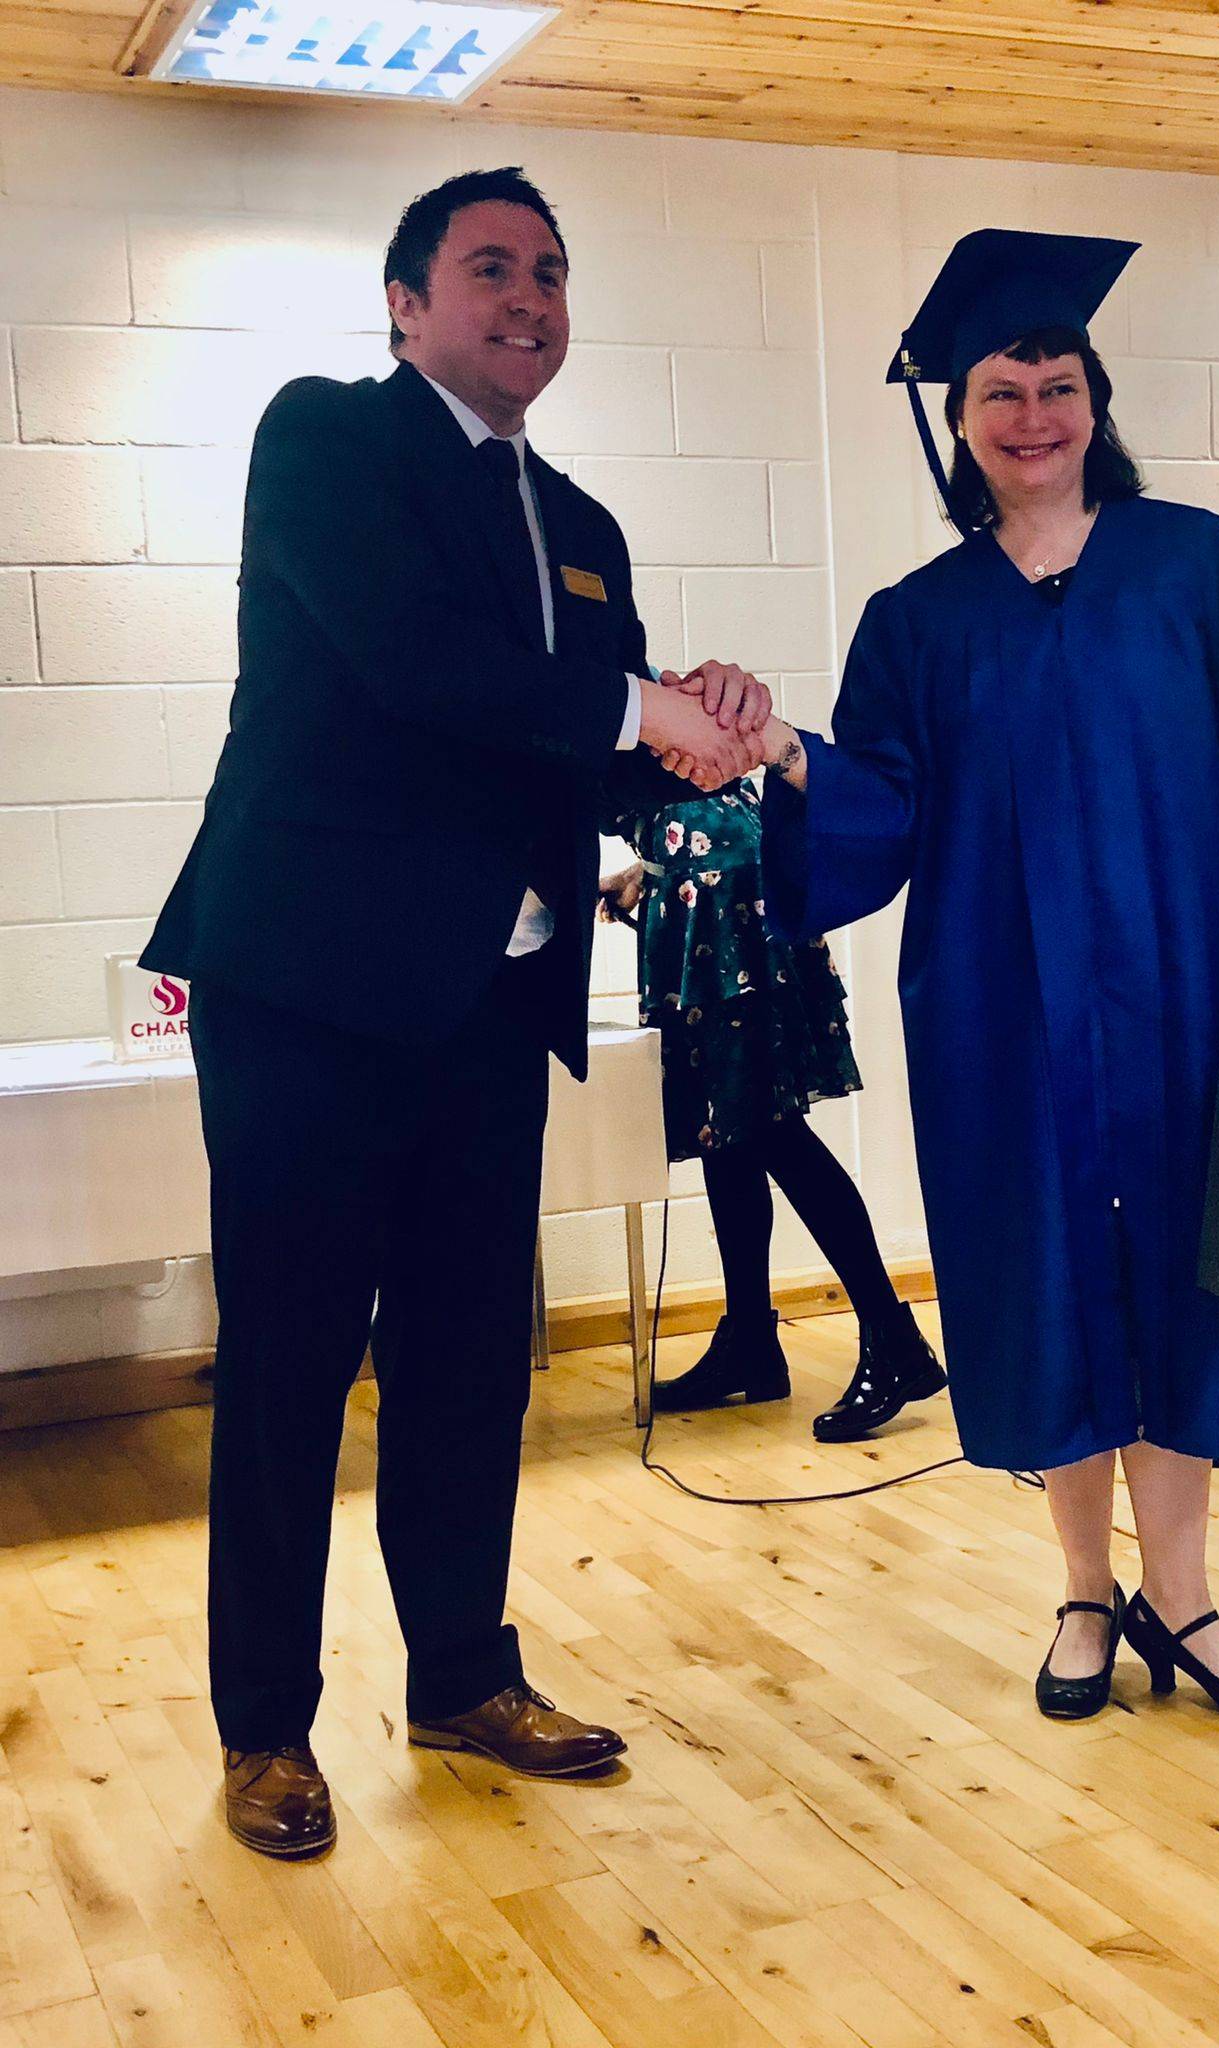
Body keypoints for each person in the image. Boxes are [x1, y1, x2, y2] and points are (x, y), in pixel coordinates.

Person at [139, 167, 773, 1858]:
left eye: (551, 273)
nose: (529, 297)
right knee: (290, 1362)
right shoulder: (327, 440)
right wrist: (636, 707)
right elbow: (414, 661)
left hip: (493, 1004)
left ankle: (460, 1678)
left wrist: (701, 730)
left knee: (472, 1357)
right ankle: (265, 1727)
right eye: (490, 267)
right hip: (310, 992)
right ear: (406, 303)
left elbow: (594, 759)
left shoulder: (582, 528)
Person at [751, 229, 1219, 1725]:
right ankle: (1084, 1594)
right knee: (1043, 1282)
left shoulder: (1195, 563)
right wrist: (787, 753)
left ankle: (1187, 1600)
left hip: (1189, 1000)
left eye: (1057, 386)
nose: (1032, 415)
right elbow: (881, 815)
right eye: (1000, 390)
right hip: (1004, 1013)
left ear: (1096, 403)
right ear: (959, 421)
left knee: (1190, 1281)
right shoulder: (916, 620)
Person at [599, 775, 945, 1442]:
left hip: (717, 881)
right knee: (728, 1131)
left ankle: (894, 1341)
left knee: (770, 1129)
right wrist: (647, 866)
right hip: (712, 863)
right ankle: (751, 1341)